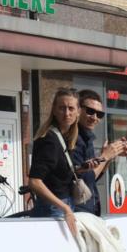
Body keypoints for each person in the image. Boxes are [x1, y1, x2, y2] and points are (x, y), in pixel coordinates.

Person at [28, 88, 83, 236]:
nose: (67, 113)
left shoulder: (65, 136)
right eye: (62, 108)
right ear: (54, 110)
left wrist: (81, 169)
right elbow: (34, 181)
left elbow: (56, 173)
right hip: (54, 208)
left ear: (78, 111)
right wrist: (65, 208)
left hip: (61, 205)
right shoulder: (50, 140)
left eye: (71, 108)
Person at [72, 90, 127, 217]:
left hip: (88, 209)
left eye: (99, 114)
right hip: (78, 211)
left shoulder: (87, 138)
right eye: (90, 111)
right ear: (78, 110)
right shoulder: (74, 138)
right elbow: (87, 178)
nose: (94, 117)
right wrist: (106, 156)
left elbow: (93, 177)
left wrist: (110, 156)